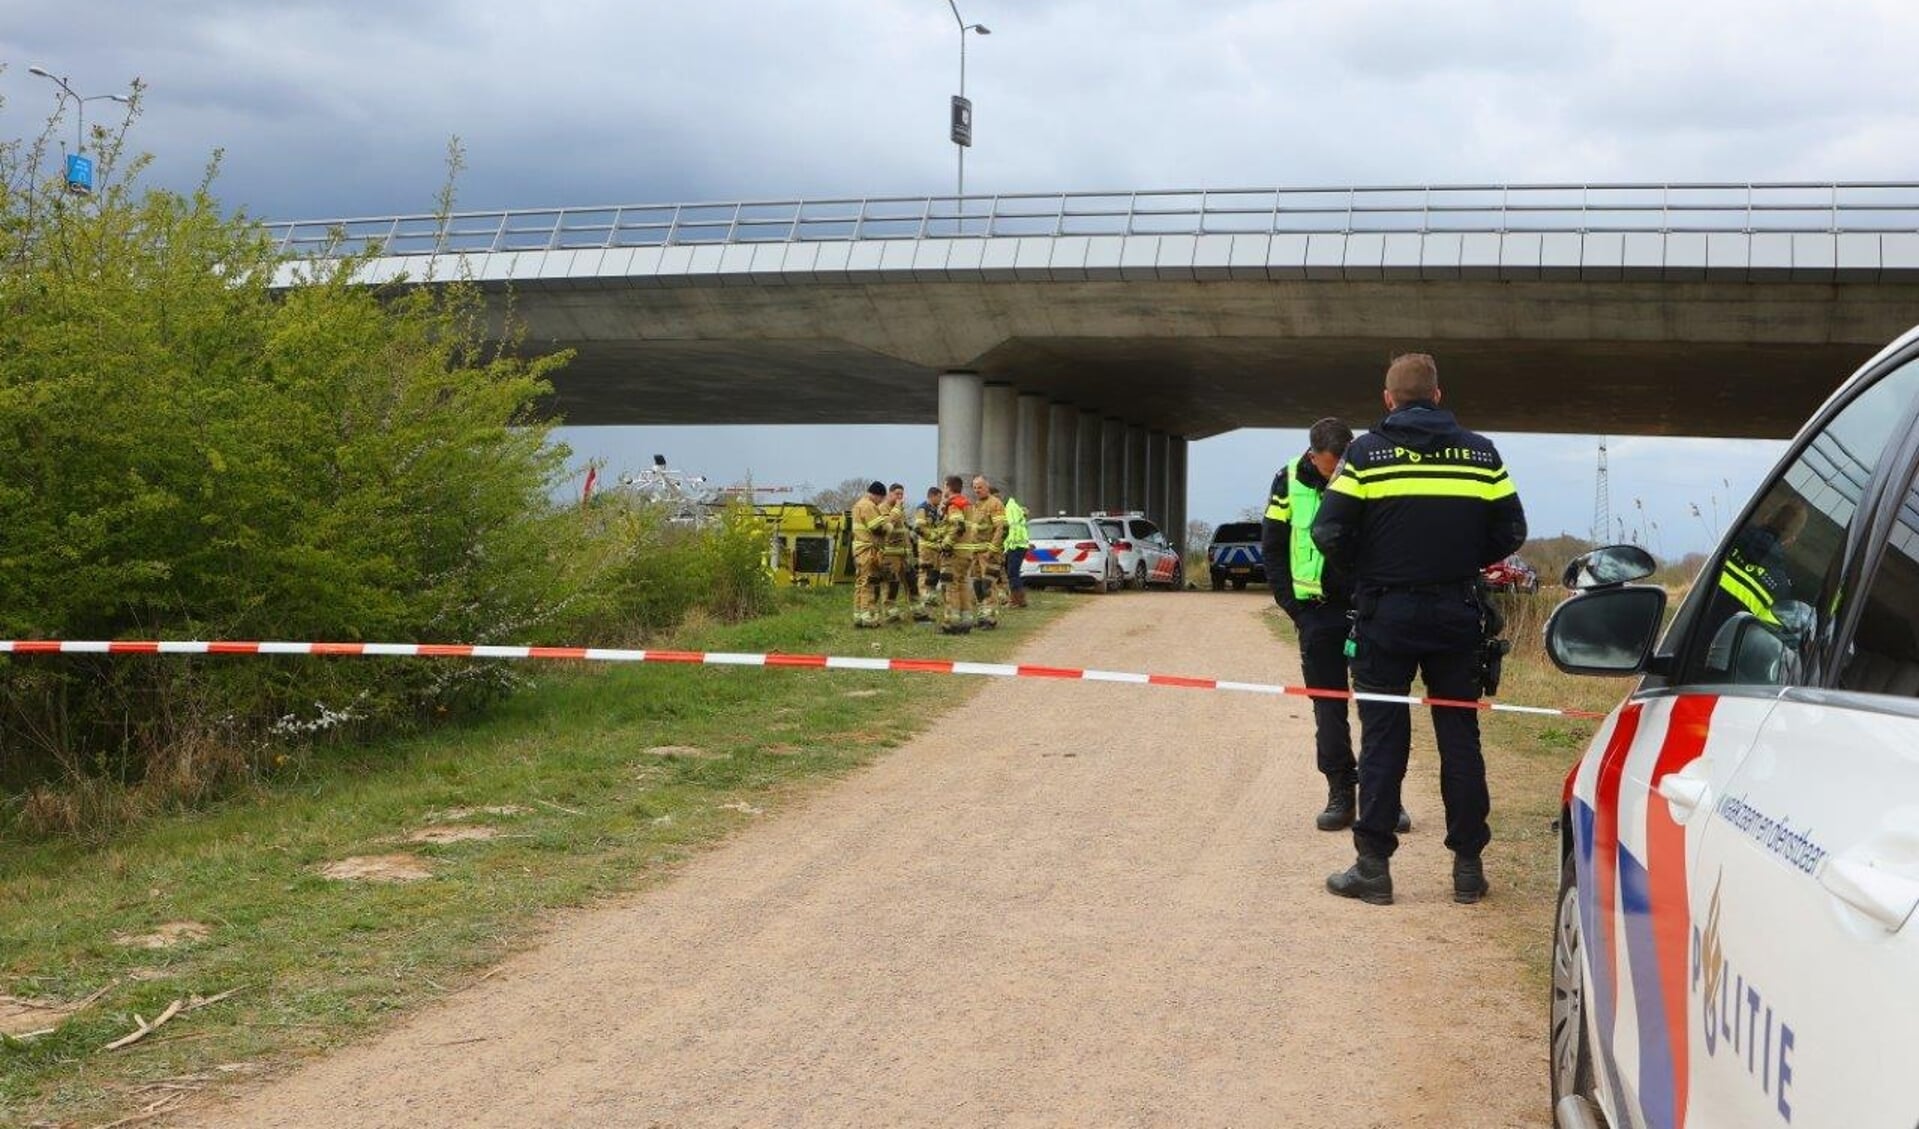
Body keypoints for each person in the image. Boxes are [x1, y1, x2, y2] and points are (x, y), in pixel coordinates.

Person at [1311, 353, 1526, 906]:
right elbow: (1512, 529)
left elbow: (1328, 530)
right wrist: (1458, 563)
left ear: (1388, 399)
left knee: (1384, 738)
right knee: (1461, 738)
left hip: (1387, 614)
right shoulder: (1481, 453)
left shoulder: (1364, 454)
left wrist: (1369, 573)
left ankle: (1373, 868)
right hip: (1457, 611)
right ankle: (1468, 870)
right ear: (1437, 395)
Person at [1263, 418, 1411, 835]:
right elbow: (1273, 546)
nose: (1335, 473)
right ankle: (1340, 790)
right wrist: (1293, 606)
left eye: (1340, 464)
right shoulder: (1287, 479)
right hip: (1316, 614)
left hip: (1368, 611)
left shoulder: (1367, 472)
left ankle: (1386, 798)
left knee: (1381, 708)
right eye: (1329, 466)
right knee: (1328, 709)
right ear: (1313, 455)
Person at [937, 475, 977, 635]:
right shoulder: (967, 504)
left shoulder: (954, 505)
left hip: (954, 553)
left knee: (951, 587)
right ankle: (965, 621)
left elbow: (957, 526)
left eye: (944, 486)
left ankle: (951, 623)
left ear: (948, 487)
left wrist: (945, 544)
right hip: (967, 553)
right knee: (962, 586)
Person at [848, 481, 891, 629]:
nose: (881, 502)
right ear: (877, 495)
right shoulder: (869, 505)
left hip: (859, 549)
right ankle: (868, 617)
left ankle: (859, 616)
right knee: (869, 583)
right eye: (881, 499)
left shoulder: (858, 505)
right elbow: (877, 528)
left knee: (860, 583)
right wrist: (889, 526)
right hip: (868, 550)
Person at [970, 476, 1008, 629]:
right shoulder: (976, 505)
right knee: (978, 586)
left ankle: (990, 619)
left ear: (987, 487)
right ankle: (982, 616)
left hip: (989, 553)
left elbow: (1002, 528)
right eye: (974, 487)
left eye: (980, 487)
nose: (977, 490)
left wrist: (992, 549)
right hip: (975, 553)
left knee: (987, 585)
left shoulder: (995, 504)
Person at [879, 483, 914, 625]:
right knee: (891, 584)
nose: (900, 497)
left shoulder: (900, 510)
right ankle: (890, 614)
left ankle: (915, 613)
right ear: (890, 493)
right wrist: (897, 510)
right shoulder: (883, 508)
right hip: (890, 554)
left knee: (910, 583)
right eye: (897, 494)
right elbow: (887, 526)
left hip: (903, 554)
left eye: (901, 494)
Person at [912, 487, 945, 621]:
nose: (941, 499)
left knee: (934, 575)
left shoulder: (936, 510)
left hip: (936, 549)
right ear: (933, 496)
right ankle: (923, 601)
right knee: (925, 575)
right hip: (926, 548)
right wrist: (932, 536)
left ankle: (929, 601)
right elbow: (919, 528)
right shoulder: (923, 508)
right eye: (939, 497)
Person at [1001, 487, 1031, 609]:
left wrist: (1007, 547)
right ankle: (1020, 600)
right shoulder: (1013, 506)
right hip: (1020, 545)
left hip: (1015, 545)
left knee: (1012, 573)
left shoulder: (1010, 508)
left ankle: (1016, 601)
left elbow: (1012, 528)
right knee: (1013, 573)